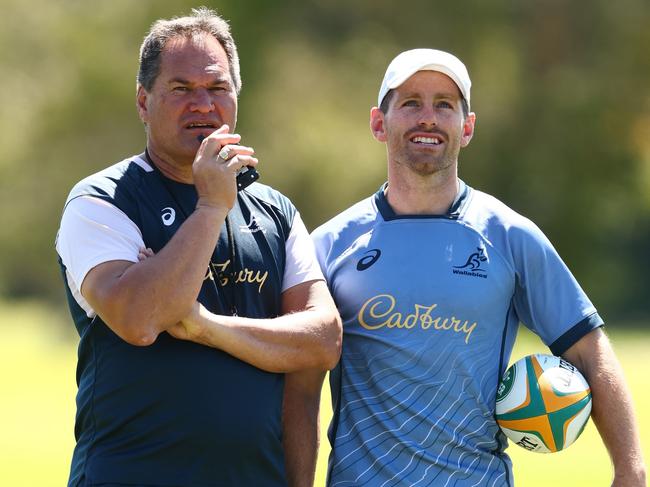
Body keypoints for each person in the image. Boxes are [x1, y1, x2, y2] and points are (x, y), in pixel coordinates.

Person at [311, 48, 646, 486]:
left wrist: (631, 471)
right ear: (379, 122)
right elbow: (293, 380)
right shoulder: (329, 244)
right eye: (411, 102)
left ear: (467, 127)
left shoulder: (509, 235)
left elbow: (589, 350)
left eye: (444, 105)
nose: (428, 118)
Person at [56, 7, 341, 487]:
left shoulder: (275, 211)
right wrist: (210, 207)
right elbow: (142, 319)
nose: (203, 105)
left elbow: (321, 342)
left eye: (217, 88)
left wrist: (203, 325)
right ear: (144, 103)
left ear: (236, 97)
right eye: (181, 90)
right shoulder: (101, 202)